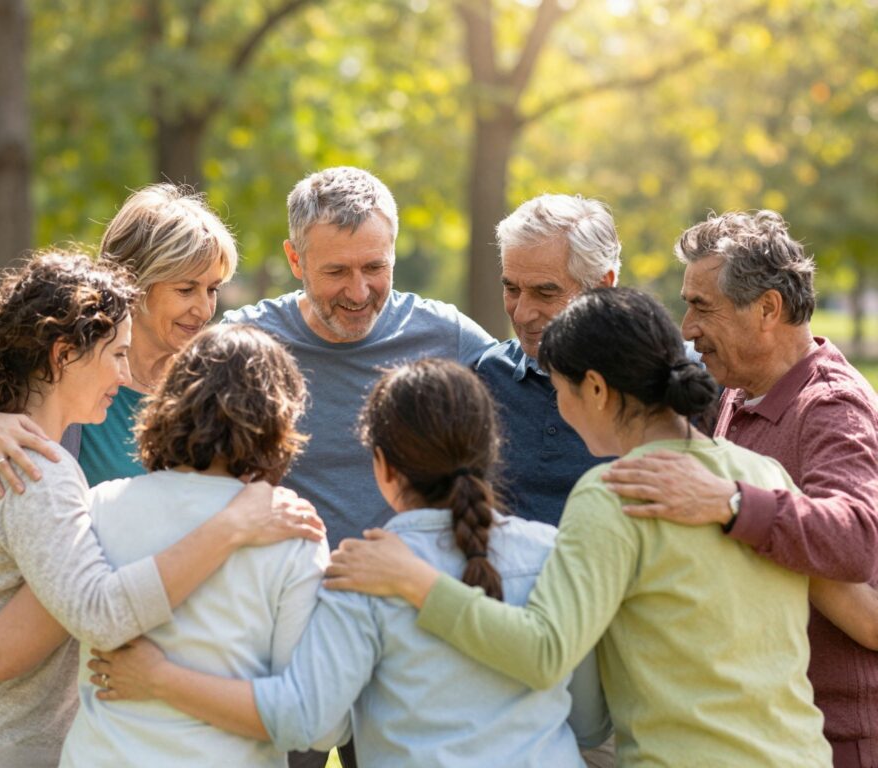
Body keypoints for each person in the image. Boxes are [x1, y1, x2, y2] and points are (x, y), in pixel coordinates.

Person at [323, 288, 833, 767]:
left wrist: (414, 581)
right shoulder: (762, 474)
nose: (561, 410)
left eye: (561, 391)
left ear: (595, 388)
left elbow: (544, 653)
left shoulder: (614, 492)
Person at [0, 254, 320, 768]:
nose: (125, 373)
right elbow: (98, 614)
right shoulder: (38, 469)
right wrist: (230, 525)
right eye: (116, 355)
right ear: (64, 354)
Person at [88, 358, 611, 767]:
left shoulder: (360, 574)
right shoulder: (550, 550)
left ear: (382, 466)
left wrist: (160, 678)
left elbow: (308, 721)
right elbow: (589, 723)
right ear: (490, 450)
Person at [223, 165, 494, 768]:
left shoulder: (446, 337)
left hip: (405, 627)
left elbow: (536, 395)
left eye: (375, 267)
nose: (359, 290)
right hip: (285, 630)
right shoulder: (245, 341)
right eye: (336, 271)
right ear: (296, 260)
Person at [599, 211, 878, 767]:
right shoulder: (737, 393)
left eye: (702, 306)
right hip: (765, 731)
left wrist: (728, 504)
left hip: (837, 740)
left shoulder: (830, 405)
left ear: (768, 309)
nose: (686, 327)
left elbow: (855, 538)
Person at [0, 183, 241, 490]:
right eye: (186, 290)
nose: (204, 309)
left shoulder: (211, 380)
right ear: (133, 282)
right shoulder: (72, 367)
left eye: (212, 289)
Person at [475, 193, 620, 526]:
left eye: (545, 292)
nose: (522, 314)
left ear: (602, 285)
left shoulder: (664, 382)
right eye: (511, 289)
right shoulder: (489, 375)